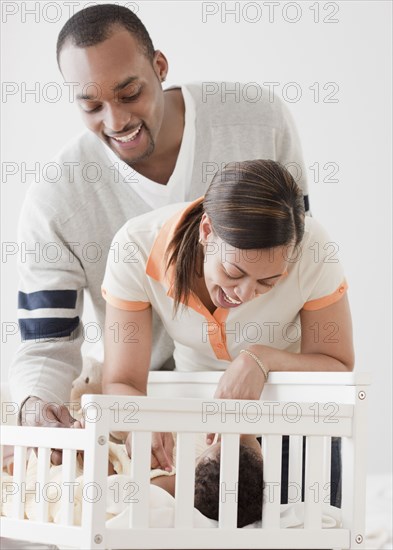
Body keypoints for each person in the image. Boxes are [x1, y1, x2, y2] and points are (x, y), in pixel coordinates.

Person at [10, 3, 310, 446]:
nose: (116, 121)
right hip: (144, 410)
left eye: (130, 94)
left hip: (268, 393)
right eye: (92, 106)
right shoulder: (56, 200)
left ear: (160, 66)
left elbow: (294, 260)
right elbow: (47, 342)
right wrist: (35, 406)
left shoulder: (257, 120)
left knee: (304, 511)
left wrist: (273, 365)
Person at [101, 159, 354, 507]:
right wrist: (141, 420)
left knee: (313, 529)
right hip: (202, 431)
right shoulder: (134, 247)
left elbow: (337, 367)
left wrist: (260, 358)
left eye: (268, 282)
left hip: (295, 426)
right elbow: (120, 381)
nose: (244, 294)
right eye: (234, 272)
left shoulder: (314, 250)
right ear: (207, 231)